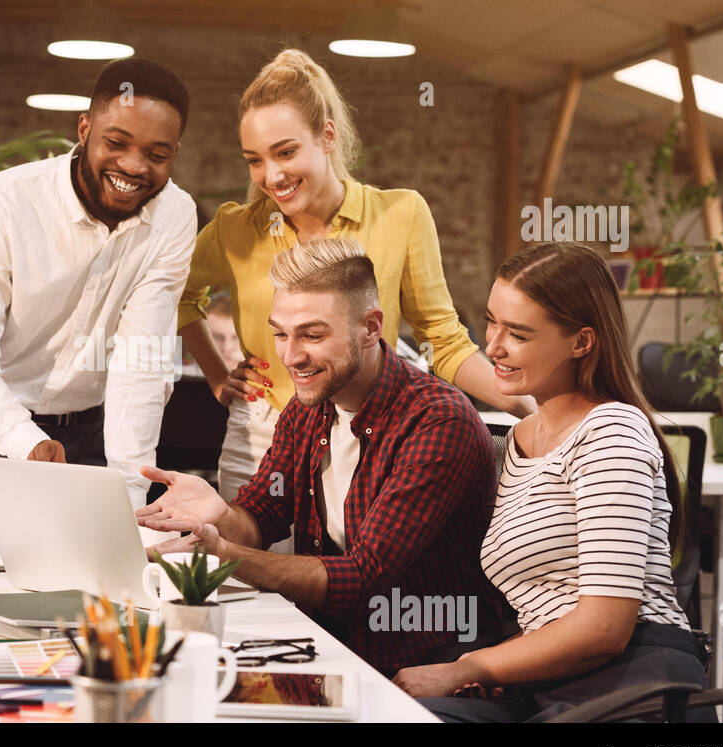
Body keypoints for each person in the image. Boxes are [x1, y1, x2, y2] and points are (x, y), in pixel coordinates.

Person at [138, 238, 508, 676]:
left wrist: (226, 555)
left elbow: (361, 579)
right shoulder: (307, 409)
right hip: (327, 651)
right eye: (280, 333)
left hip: (419, 671)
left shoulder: (437, 422)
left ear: (371, 327)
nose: (291, 356)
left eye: (312, 335)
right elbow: (258, 517)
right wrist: (218, 514)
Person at [179, 49, 534, 503]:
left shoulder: (400, 215)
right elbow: (179, 293)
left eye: (285, 152)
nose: (271, 175)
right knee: (251, 569)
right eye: (254, 159)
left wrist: (530, 406)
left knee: (355, 571)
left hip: (368, 431)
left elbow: (443, 342)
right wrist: (216, 375)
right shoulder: (236, 229)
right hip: (261, 437)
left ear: (327, 136)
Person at [393, 242, 712, 722]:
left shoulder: (611, 431)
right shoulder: (519, 439)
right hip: (548, 687)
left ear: (581, 342)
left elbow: (603, 627)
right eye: (491, 322)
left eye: (517, 334)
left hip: (635, 688)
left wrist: (465, 668)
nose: (493, 346)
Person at [0, 58, 197, 546]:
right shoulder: (0, 204)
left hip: (89, 435)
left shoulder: (175, 216)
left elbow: (141, 365)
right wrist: (28, 443)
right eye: (116, 143)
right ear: (85, 128)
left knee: (87, 593)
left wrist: (131, 496)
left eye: (157, 153)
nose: (134, 166)